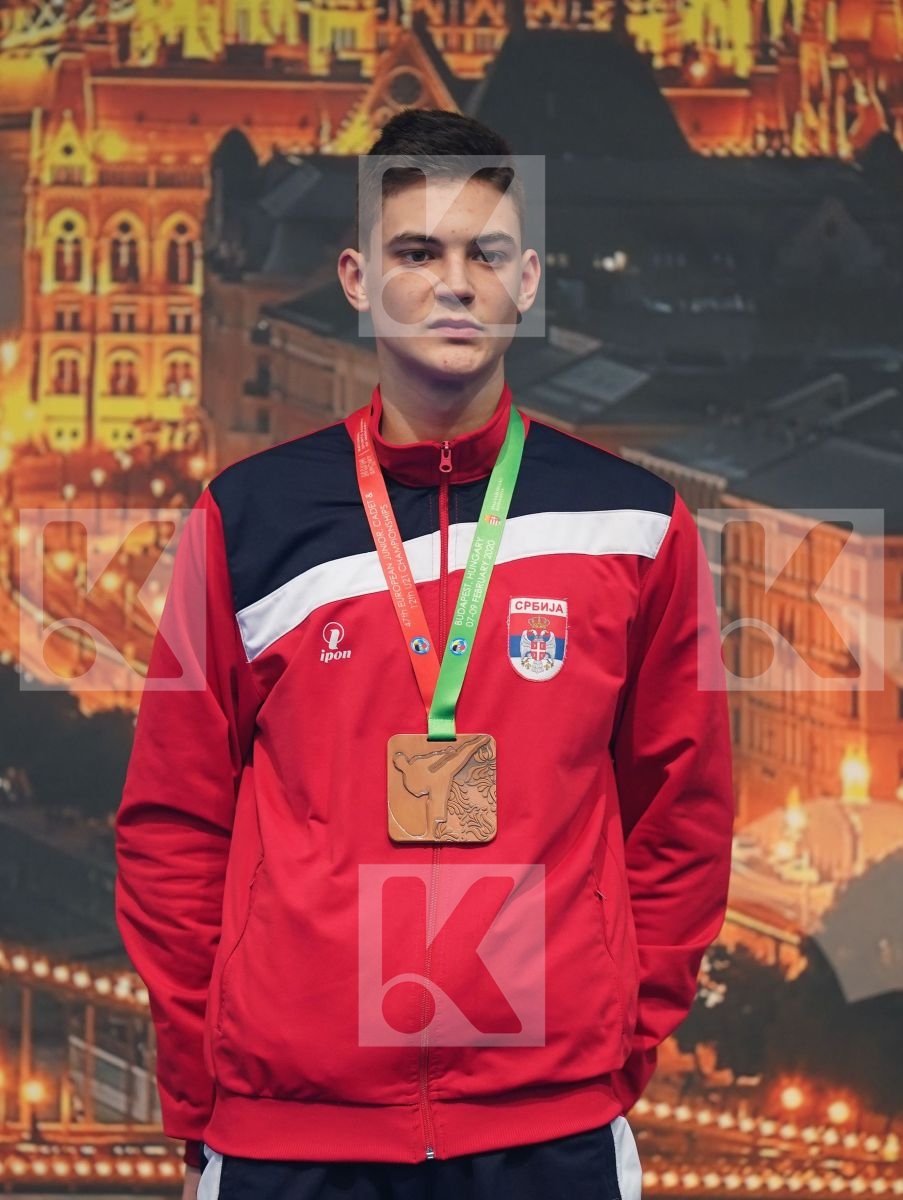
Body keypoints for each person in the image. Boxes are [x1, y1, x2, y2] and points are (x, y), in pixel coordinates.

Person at [114, 107, 735, 1200]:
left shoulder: (635, 526)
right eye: (417, 251)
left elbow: (683, 817)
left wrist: (612, 1047)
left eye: (484, 253)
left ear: (527, 280)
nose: (454, 282)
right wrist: (207, 1085)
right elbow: (174, 823)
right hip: (292, 1134)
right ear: (356, 278)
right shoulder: (244, 521)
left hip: (553, 1132)